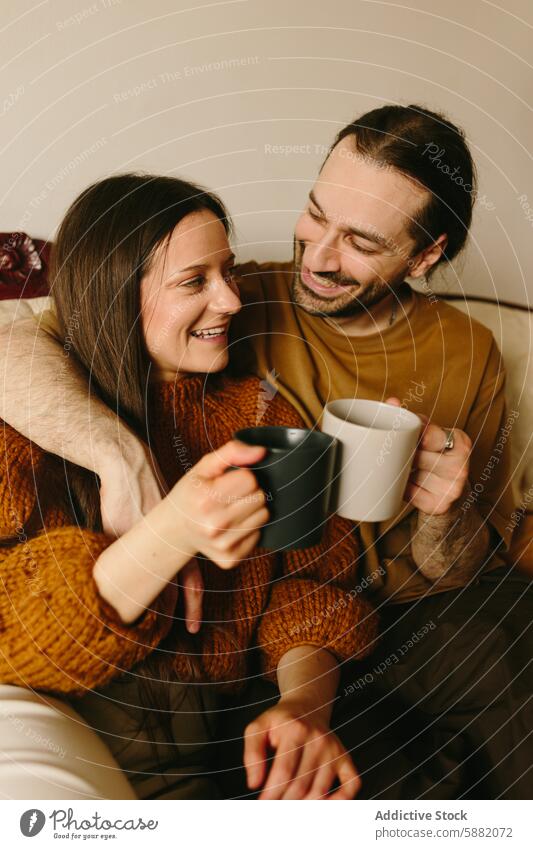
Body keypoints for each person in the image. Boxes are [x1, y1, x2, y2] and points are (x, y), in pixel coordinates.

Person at [1, 103, 531, 798]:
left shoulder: (460, 354)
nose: (314, 255)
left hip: (359, 618)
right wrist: (127, 469)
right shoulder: (234, 304)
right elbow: (31, 333)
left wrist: (443, 510)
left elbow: (323, 579)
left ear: (423, 254)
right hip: (177, 689)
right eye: (315, 215)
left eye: (361, 243)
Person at [0, 173, 378, 801]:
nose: (231, 300)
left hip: (233, 726)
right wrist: (168, 532)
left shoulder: (262, 416)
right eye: (193, 281)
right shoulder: (30, 428)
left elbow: (309, 586)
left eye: (227, 271)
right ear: (114, 296)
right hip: (84, 738)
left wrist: (304, 709)